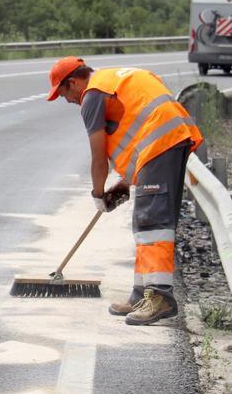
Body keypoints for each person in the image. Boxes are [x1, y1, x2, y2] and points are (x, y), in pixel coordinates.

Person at [47, 56, 203, 325]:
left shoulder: (92, 96)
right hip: (166, 142)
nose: (68, 101)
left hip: (162, 144)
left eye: (64, 94)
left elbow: (99, 159)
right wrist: (124, 183)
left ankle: (160, 297)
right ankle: (142, 295)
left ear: (73, 82)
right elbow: (138, 132)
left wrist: (98, 195)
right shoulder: (111, 81)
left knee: (152, 223)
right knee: (144, 221)